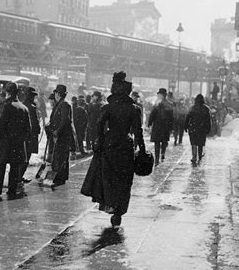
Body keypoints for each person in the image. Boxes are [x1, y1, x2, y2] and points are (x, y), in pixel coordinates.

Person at [81, 71, 145, 228]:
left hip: (109, 146)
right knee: (124, 180)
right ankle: (119, 211)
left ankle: (109, 203)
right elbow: (138, 131)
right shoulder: (134, 109)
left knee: (109, 179)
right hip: (125, 146)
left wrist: (99, 142)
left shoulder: (108, 108)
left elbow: (99, 125)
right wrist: (142, 150)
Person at [0, 82, 31, 200]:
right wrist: (20, 139)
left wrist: (1, 140)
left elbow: (1, 125)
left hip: (6, 143)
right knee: (14, 168)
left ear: (8, 92)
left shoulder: (8, 106)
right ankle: (12, 190)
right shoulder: (24, 108)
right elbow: (28, 128)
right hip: (18, 144)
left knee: (1, 167)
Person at [45, 84, 74, 186]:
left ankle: (59, 179)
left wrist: (57, 131)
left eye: (56, 93)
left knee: (60, 157)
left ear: (58, 94)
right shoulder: (60, 104)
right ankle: (59, 178)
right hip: (59, 135)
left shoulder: (64, 104)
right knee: (59, 157)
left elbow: (65, 120)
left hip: (62, 136)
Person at [147, 88, 174, 166]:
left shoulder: (157, 104)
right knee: (164, 141)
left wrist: (149, 123)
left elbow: (152, 114)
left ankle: (157, 158)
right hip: (165, 126)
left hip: (157, 126)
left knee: (157, 142)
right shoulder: (169, 104)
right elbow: (171, 117)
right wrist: (171, 127)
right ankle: (162, 154)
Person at [184, 94, 211, 165]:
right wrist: (208, 128)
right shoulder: (206, 109)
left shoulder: (192, 108)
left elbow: (187, 118)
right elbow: (208, 120)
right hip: (202, 129)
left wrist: (186, 126)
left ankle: (194, 156)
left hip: (193, 128)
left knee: (194, 143)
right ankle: (200, 155)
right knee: (200, 143)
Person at [21, 86, 41, 183]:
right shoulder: (29, 106)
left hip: (30, 135)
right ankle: (18, 178)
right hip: (29, 136)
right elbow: (31, 123)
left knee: (26, 157)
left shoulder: (30, 105)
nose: (34, 97)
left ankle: (19, 177)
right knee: (25, 158)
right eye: (32, 95)